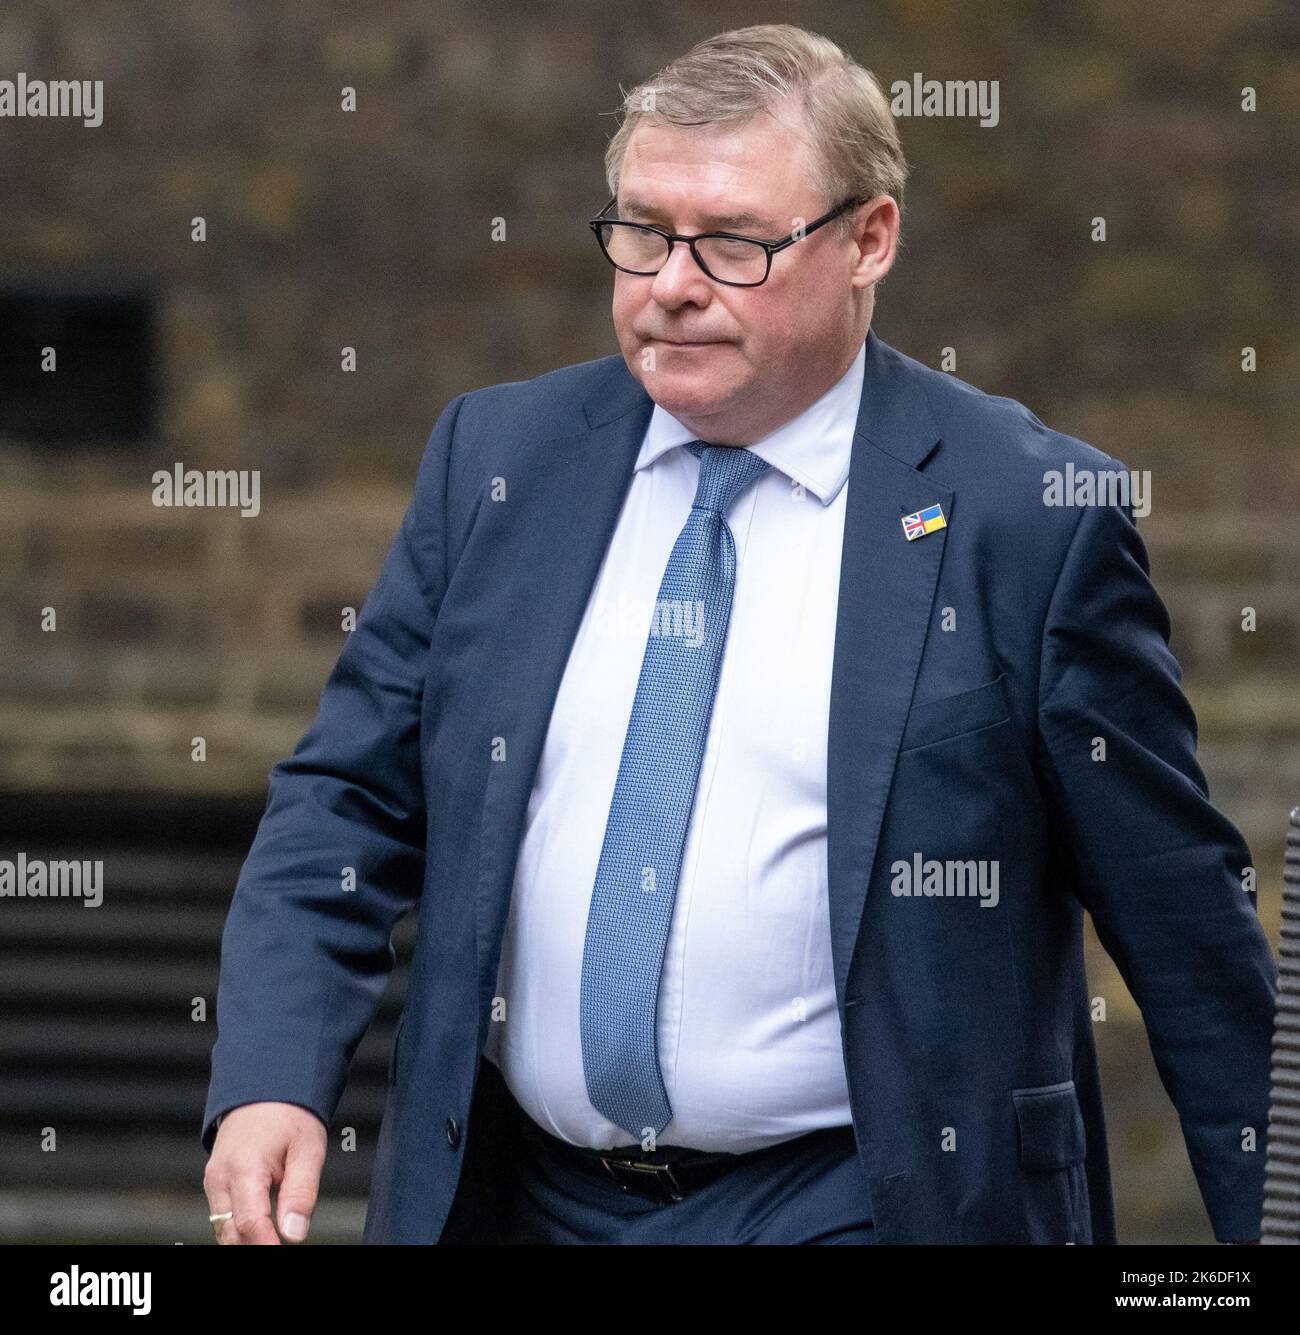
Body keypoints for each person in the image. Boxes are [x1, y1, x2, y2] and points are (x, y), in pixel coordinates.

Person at [201, 23, 1276, 1245]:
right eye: (643, 230)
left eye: (732, 243)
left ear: (869, 240)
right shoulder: (498, 464)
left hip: (865, 1202)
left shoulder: (1023, 520)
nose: (671, 281)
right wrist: (271, 1074)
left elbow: (1184, 922)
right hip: (517, 1197)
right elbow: (344, 799)